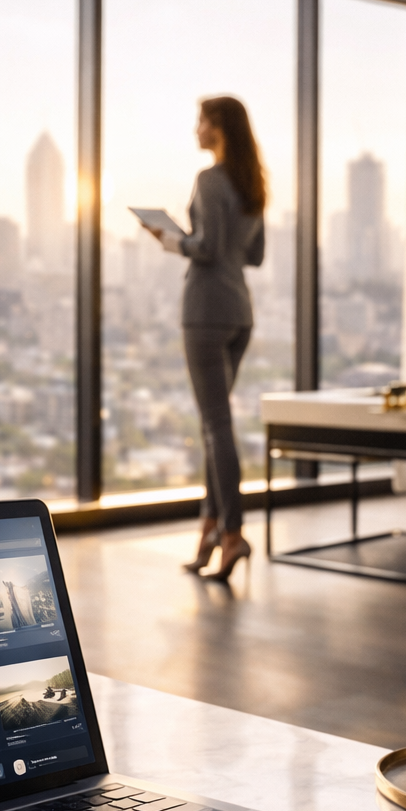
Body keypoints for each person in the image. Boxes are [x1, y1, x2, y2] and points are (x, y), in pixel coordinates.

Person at [143, 96, 267, 580]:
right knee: (214, 428)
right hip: (240, 313)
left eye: (201, 121)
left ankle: (232, 533)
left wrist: (170, 238)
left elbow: (208, 248)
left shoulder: (210, 180)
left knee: (216, 426)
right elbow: (252, 254)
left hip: (206, 311)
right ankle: (211, 527)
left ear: (218, 128)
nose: (195, 129)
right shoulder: (252, 183)